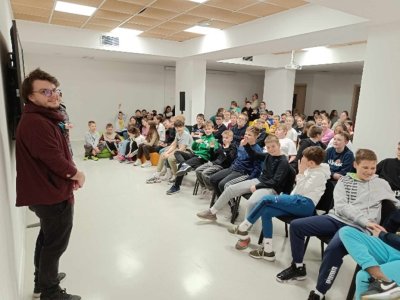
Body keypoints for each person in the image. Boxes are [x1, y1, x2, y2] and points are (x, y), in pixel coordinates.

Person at [276, 149, 400, 300]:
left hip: (358, 229)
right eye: (365, 168)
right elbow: (341, 206)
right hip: (337, 219)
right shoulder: (344, 181)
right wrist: (364, 219)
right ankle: (298, 267)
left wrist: (368, 223)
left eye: (373, 168)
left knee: (333, 250)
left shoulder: (381, 184)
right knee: (296, 225)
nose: (369, 172)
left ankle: (320, 292)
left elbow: (396, 204)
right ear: (355, 165)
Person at [16, 68, 85, 300]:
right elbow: (53, 159)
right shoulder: (37, 122)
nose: (53, 95)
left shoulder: (41, 117)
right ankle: (50, 292)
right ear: (31, 97)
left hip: (44, 191)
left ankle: (42, 280)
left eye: (55, 90)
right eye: (45, 91)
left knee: (47, 238)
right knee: (55, 245)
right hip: (50, 194)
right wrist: (76, 174)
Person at [230, 146, 330, 259]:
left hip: (305, 204)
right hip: (297, 201)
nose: (301, 159)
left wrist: (301, 173)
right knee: (266, 212)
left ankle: (243, 228)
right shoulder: (311, 169)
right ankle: (268, 251)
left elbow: (302, 190)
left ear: (311, 163)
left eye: (304, 158)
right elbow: (297, 190)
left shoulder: (319, 175)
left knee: (266, 199)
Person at [196, 134, 290, 243]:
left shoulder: (283, 161)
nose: (270, 149)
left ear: (279, 145)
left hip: (271, 188)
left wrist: (257, 186)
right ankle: (212, 212)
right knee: (230, 189)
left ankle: (244, 234)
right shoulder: (268, 155)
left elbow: (275, 182)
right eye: (268, 147)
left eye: (273, 146)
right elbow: (254, 155)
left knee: (251, 203)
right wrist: (246, 146)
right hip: (260, 182)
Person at [339, 225, 400, 300]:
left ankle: (382, 279)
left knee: (364, 276)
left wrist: (383, 235)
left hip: (390, 239)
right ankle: (381, 277)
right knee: (346, 232)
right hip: (393, 245)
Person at [166, 121, 219, 195]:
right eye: (206, 129)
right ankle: (184, 165)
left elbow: (213, 156)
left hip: (202, 158)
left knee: (182, 166)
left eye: (209, 129)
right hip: (195, 155)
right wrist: (196, 142)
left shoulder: (213, 140)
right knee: (177, 152)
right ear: (203, 129)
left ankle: (176, 186)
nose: (207, 130)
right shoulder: (203, 138)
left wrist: (212, 148)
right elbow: (194, 148)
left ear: (212, 129)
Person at [195, 130, 237, 198]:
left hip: (222, 166)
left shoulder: (233, 148)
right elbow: (213, 157)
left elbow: (230, 160)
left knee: (205, 173)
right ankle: (204, 187)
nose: (224, 139)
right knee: (198, 170)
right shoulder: (221, 146)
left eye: (227, 138)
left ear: (231, 139)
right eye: (223, 138)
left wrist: (226, 150)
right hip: (214, 162)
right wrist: (211, 148)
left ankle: (212, 190)